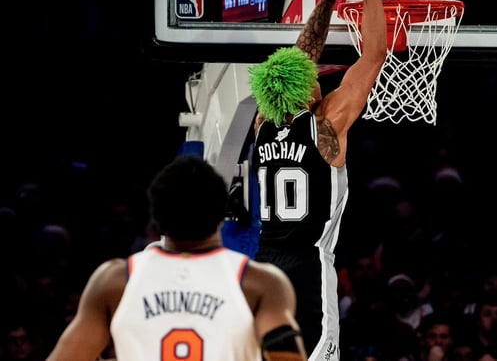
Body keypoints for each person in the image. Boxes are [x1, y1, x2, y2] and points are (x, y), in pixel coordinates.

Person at [248, 0, 396, 361]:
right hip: (306, 269)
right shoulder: (326, 124)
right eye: (312, 77)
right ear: (306, 91)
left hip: (264, 267)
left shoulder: (263, 124)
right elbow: (374, 55)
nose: (316, 73)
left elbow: (301, 54)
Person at [45, 155, 307, 361]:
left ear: (156, 217)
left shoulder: (115, 281)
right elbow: (285, 354)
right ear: (221, 213)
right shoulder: (259, 283)